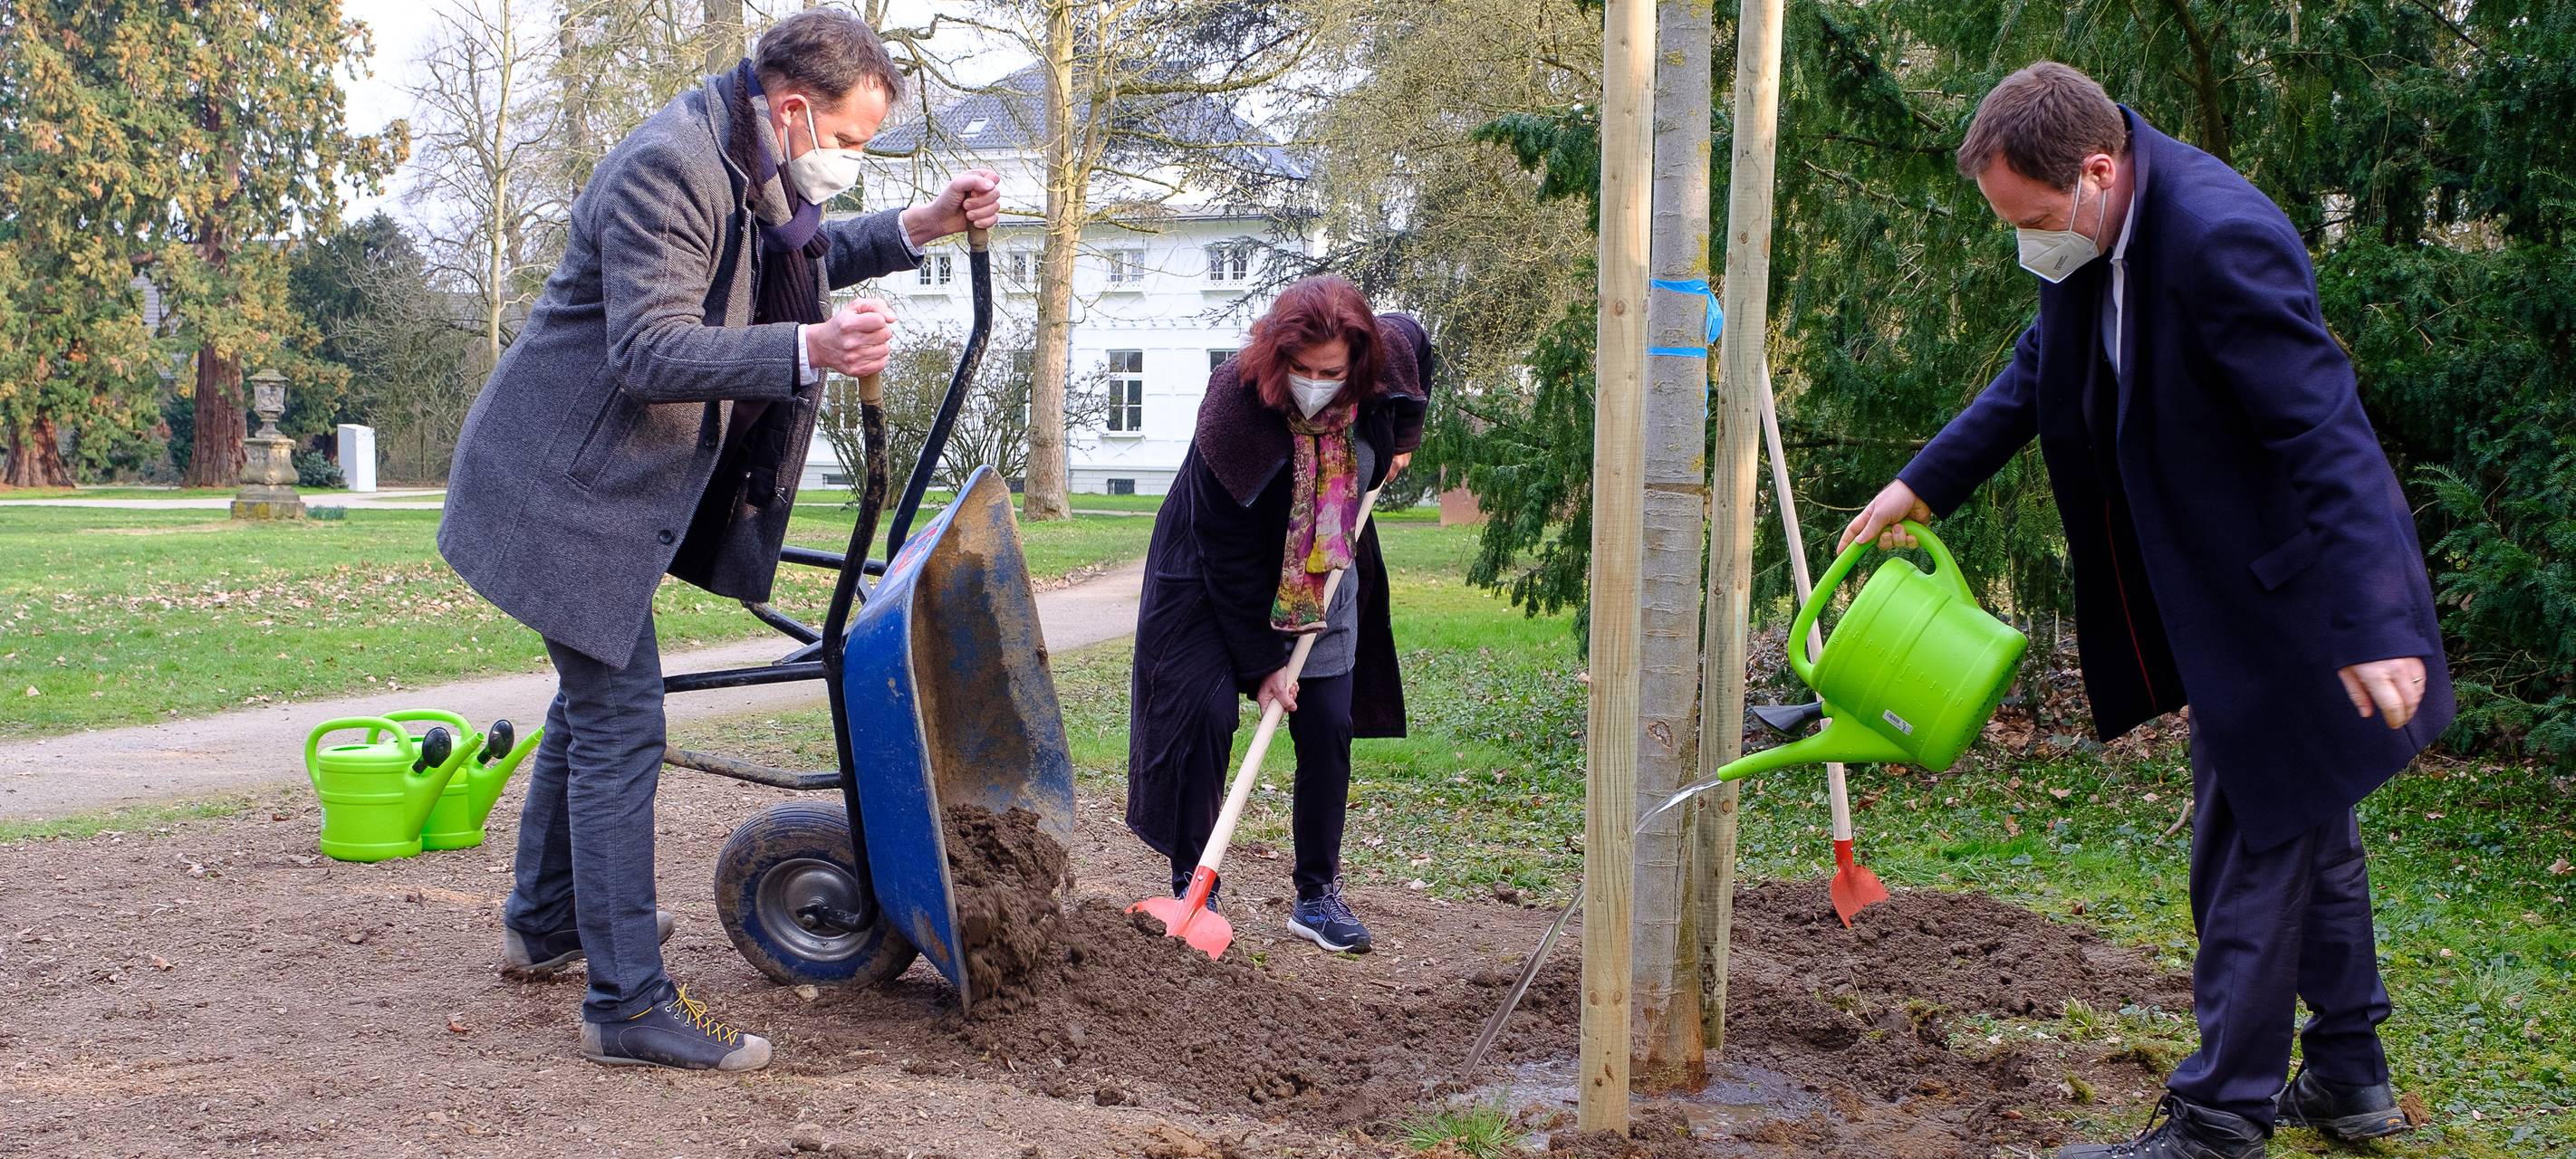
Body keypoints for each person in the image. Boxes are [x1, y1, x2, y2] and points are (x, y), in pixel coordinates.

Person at [1838, 63, 2451, 1158]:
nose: (2027, 243)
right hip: (2232, 591)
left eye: (2030, 218)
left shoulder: (2220, 239)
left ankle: (2218, 1122)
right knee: (2317, 827)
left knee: (2253, 840)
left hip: (2303, 596)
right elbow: (2039, 371)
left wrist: (2373, 624)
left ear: (2098, 171)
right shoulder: (2088, 239)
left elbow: (2325, 433)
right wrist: (1923, 481)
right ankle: (2352, 1073)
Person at [435, 9, 1000, 1072]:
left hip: (595, 488)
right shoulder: (669, 165)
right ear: (795, 110)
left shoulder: (748, 150)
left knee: (595, 700)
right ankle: (626, 1003)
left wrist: (914, 226)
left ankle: (544, 922)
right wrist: (809, 345)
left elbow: (801, 244)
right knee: (620, 720)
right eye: (853, 138)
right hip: (560, 492)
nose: (852, 159)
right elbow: (649, 349)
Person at [1124, 276, 1432, 954]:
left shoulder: (1385, 360)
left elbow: (1415, 345)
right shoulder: (1234, 406)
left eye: (1330, 371)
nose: (1315, 383)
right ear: (1275, 354)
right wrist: (1263, 666)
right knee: (1203, 712)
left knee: (1327, 724)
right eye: (1301, 369)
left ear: (1357, 362)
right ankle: (1190, 884)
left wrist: (1402, 436)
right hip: (1212, 574)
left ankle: (1316, 896)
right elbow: (1225, 551)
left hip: (1325, 564)